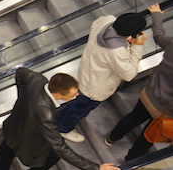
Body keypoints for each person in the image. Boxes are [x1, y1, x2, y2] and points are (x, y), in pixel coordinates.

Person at [0, 69, 121, 170]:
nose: (77, 94)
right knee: (52, 156)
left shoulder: (36, 78)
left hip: (14, 126)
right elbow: (60, 147)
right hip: (29, 139)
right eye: (73, 93)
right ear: (57, 95)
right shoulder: (46, 114)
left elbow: (20, 72)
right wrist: (96, 169)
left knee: (6, 149)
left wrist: (22, 98)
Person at [58, 13, 146, 143]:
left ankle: (57, 118)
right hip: (95, 89)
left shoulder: (106, 21)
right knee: (80, 110)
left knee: (76, 104)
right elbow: (129, 74)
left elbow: (97, 24)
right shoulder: (116, 51)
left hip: (85, 74)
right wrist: (137, 47)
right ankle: (64, 129)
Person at [107, 4, 173, 160]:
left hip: (150, 94)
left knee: (134, 117)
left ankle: (112, 137)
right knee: (149, 135)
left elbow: (158, 36)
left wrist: (156, 16)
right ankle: (130, 161)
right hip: (167, 111)